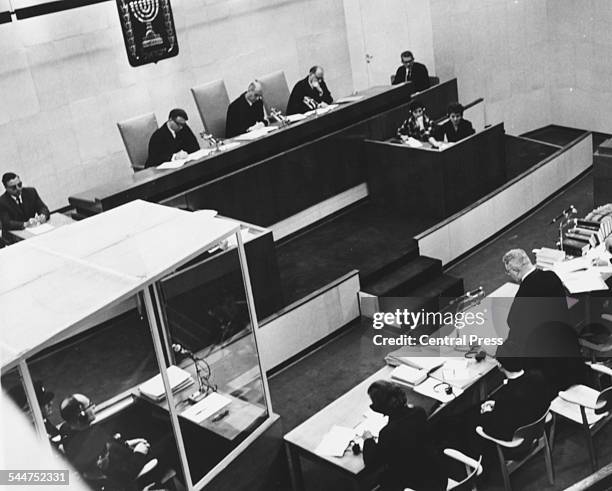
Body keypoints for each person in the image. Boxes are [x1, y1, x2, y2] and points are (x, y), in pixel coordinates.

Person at [362, 380, 445, 491]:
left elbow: (372, 463)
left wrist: (368, 440)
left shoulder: (387, 433)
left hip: (414, 485)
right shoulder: (419, 412)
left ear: (379, 408)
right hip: (436, 476)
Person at [59, 394, 153, 489]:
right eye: (90, 405)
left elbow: (106, 444)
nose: (94, 406)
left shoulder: (66, 429)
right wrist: (139, 453)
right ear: (82, 415)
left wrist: (126, 443)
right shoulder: (93, 444)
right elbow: (123, 476)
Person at [503, 249, 569, 349]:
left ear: (515, 271)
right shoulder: (552, 275)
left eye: (508, 272)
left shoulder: (524, 292)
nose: (509, 275)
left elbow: (512, 321)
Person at [0, 172, 50, 241]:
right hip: (13, 237)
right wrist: (25, 224)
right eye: (13, 187)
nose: (18, 189)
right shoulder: (2, 201)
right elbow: (7, 223)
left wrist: (43, 216)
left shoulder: (31, 192)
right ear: (6, 188)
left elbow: (43, 208)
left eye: (19, 185)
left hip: (32, 232)